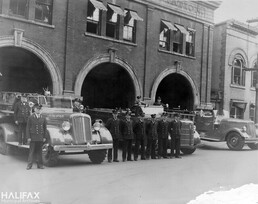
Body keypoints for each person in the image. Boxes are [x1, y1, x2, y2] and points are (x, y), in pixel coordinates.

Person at [26, 103, 47, 170]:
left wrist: (44, 137)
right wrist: (28, 137)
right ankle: (29, 165)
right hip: (33, 137)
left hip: (40, 137)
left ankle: (40, 165)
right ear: (34, 109)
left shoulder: (43, 118)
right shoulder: (31, 117)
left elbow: (45, 128)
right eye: (37, 109)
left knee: (39, 152)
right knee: (31, 152)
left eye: (39, 109)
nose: (38, 110)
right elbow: (28, 128)